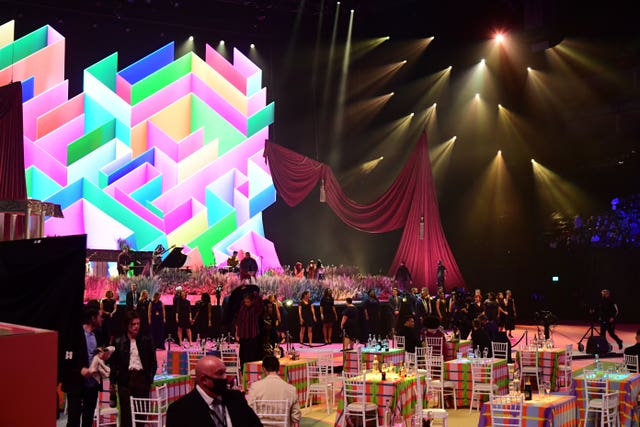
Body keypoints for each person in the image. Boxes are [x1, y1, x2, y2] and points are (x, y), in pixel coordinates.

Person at [166, 356, 262, 427]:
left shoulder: (236, 398)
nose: (225, 377)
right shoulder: (180, 410)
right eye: (220, 373)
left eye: (225, 372)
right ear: (204, 380)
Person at [61, 307, 109, 427]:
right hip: (76, 384)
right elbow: (66, 360)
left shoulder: (98, 334)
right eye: (99, 316)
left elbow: (100, 352)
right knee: (73, 420)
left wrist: (103, 355)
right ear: (93, 318)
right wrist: (80, 371)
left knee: (88, 420)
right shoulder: (75, 335)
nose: (102, 319)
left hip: (92, 384)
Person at [110, 311, 157, 427]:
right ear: (127, 325)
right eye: (133, 324)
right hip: (125, 380)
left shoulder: (146, 340)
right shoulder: (118, 341)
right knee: (126, 414)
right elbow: (113, 364)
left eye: (138, 324)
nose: (136, 326)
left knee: (141, 413)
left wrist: (149, 378)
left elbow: (153, 362)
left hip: (142, 379)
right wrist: (112, 383)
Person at [246, 355, 301, 427]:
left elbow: (249, 411)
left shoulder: (255, 387)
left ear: (264, 369)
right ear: (278, 369)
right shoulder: (291, 389)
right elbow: (295, 418)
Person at [236, 293, 263, 368]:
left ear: (252, 301)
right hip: (243, 335)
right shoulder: (242, 307)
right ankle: (243, 369)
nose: (246, 303)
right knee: (243, 354)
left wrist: (255, 293)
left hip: (252, 335)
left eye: (248, 302)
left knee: (252, 355)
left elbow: (260, 302)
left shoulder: (255, 309)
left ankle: (252, 369)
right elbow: (238, 321)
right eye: (245, 302)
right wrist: (237, 332)